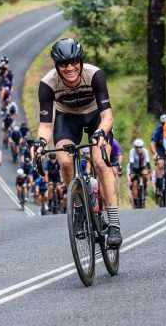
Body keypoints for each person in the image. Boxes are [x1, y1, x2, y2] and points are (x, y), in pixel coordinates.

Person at [30, 37, 122, 248]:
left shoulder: (94, 75)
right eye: (64, 64)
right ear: (57, 66)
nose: (70, 68)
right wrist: (41, 143)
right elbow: (45, 125)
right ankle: (79, 208)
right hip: (67, 118)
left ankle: (114, 224)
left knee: (99, 162)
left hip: (96, 118)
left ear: (80, 61)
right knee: (64, 161)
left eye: (74, 62)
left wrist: (100, 132)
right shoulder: (47, 84)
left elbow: (108, 116)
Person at [149, 114, 166, 204]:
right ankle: (158, 185)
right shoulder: (157, 130)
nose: (164, 125)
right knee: (160, 163)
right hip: (160, 150)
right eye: (163, 123)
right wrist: (155, 153)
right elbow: (152, 143)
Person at [127, 139, 151, 208]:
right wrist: (131, 172)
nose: (139, 149)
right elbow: (131, 162)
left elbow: (147, 161)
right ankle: (135, 202)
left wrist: (149, 170)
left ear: (142, 147)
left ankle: (145, 187)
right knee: (134, 185)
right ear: (134, 147)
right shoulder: (132, 151)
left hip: (142, 167)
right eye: (137, 147)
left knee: (145, 173)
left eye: (140, 147)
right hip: (134, 168)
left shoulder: (145, 151)